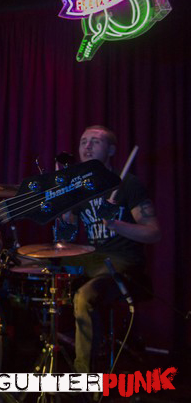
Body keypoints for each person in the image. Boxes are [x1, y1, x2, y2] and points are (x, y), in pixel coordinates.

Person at [61, 125, 161, 373]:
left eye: (95, 141)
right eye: (83, 141)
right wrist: (64, 209)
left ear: (111, 150)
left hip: (122, 263)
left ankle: (85, 377)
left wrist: (116, 225)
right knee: (36, 273)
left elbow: (153, 232)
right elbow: (66, 236)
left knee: (84, 297)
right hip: (91, 260)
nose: (87, 146)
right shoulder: (79, 188)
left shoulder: (127, 184)